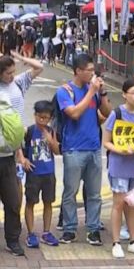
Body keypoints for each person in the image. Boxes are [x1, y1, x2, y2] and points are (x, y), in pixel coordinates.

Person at [56, 53, 111, 245]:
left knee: (94, 193)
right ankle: (69, 228)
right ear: (78, 71)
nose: (92, 74)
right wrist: (91, 92)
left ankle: (93, 229)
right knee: (70, 192)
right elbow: (74, 114)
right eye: (89, 70)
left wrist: (102, 93)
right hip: (73, 149)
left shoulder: (94, 89)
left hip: (94, 148)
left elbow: (106, 113)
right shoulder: (65, 91)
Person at [0, 51, 43, 256]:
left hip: (8, 156)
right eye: (8, 73)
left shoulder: (18, 84)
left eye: (13, 71)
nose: (12, 75)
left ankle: (12, 240)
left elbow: (38, 68)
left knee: (13, 201)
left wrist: (23, 58)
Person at [103, 78, 134, 258]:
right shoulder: (117, 114)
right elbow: (106, 142)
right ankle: (116, 242)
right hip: (120, 165)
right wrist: (121, 150)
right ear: (124, 95)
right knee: (118, 203)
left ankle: (133, 241)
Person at [23, 100, 60, 248]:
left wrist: (51, 141)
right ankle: (31, 234)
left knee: (48, 202)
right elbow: (20, 150)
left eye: (46, 118)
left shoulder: (51, 131)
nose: (42, 120)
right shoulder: (29, 131)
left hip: (49, 173)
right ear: (35, 115)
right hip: (34, 173)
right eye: (40, 117)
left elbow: (57, 151)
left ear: (50, 118)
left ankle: (46, 232)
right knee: (31, 202)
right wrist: (24, 160)